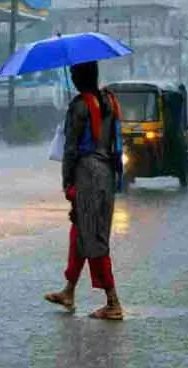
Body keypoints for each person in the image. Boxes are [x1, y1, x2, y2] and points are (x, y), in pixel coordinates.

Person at [44, 61, 124, 320]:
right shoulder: (110, 101)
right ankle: (69, 290)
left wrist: (67, 182)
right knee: (80, 231)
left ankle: (113, 302)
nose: (72, 77)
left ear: (81, 76)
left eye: (74, 73)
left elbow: (70, 148)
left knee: (94, 237)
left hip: (87, 173)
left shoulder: (79, 106)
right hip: (107, 172)